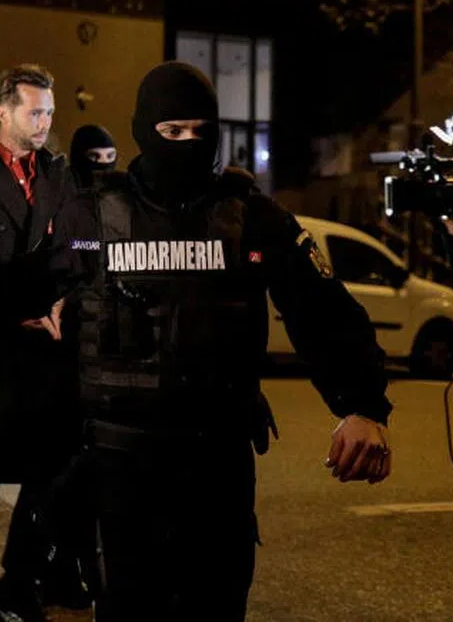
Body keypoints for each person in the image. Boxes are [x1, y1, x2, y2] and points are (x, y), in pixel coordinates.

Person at [51, 61, 393, 621]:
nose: (188, 144)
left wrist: (361, 404)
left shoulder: (251, 216)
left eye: (200, 132)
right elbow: (24, 304)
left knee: (215, 608)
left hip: (215, 466)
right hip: (117, 467)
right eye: (172, 132)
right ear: (143, 130)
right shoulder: (88, 216)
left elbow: (324, 309)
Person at [0, 64, 78, 622]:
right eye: (34, 111)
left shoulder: (58, 173)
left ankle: (21, 575)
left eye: (49, 111)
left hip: (47, 345)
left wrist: (60, 301)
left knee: (55, 467)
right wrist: (11, 317)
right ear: (2, 111)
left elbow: (73, 244)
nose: (44, 122)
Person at [69, 124, 117, 189]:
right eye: (94, 156)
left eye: (110, 156)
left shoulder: (124, 191)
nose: (104, 162)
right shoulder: (60, 189)